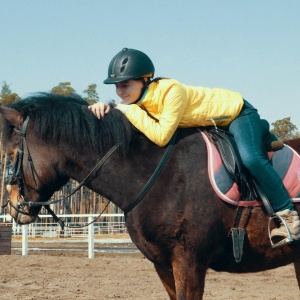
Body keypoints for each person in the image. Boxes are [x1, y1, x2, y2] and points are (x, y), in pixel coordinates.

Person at [88, 47, 300, 244]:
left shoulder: (171, 92)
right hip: (212, 120)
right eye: (116, 86)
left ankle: (288, 214)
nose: (120, 92)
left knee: (251, 157)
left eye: (125, 85)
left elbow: (161, 136)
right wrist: (104, 108)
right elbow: (125, 115)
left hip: (237, 114)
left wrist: (126, 110)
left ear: (144, 81)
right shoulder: (136, 102)